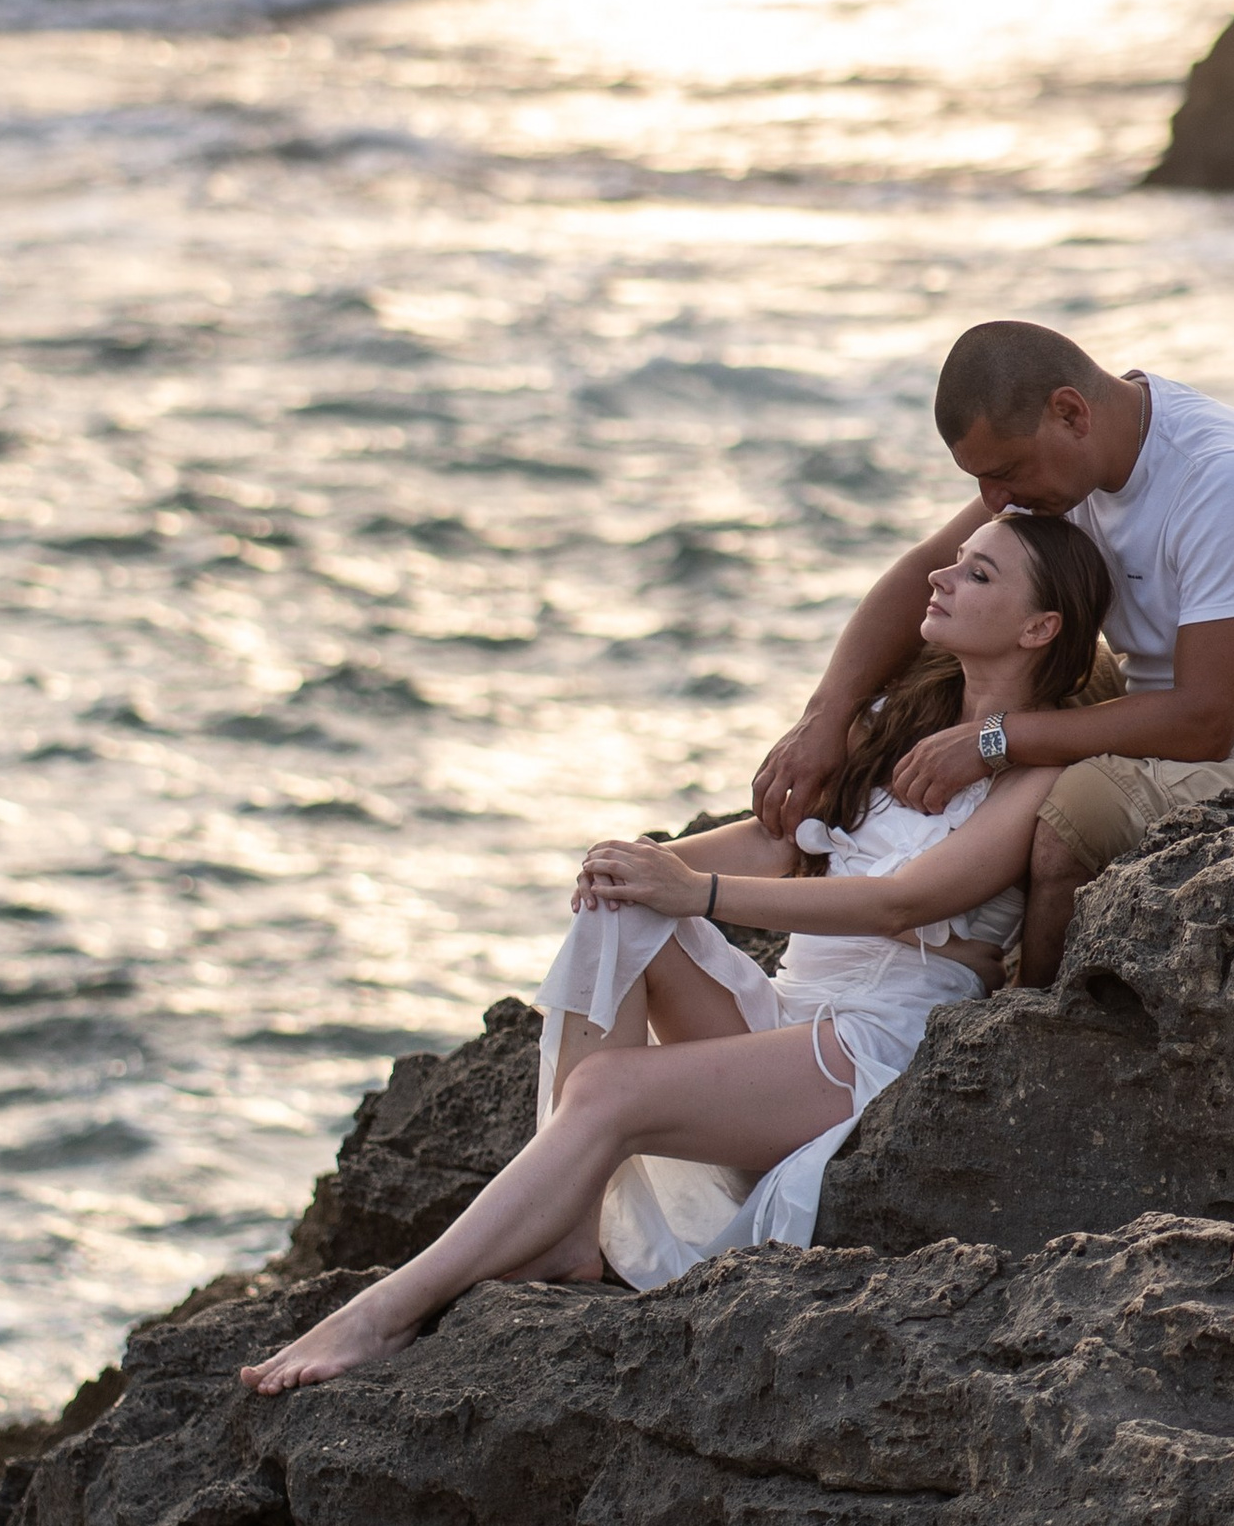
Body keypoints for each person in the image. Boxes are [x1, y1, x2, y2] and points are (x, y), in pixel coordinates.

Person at [241, 508, 1112, 1391]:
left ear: (1042, 628)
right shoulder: (901, 717)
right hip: (786, 1023)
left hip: (876, 1049)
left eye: (978, 575)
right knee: (616, 912)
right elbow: (783, 845)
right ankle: (573, 1228)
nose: (942, 579)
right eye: (955, 564)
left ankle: (386, 1313)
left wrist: (693, 893)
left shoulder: (1037, 772)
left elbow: (905, 899)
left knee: (611, 1086)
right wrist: (644, 870)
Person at [753, 319, 1234, 986]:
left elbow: (1205, 720)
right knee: (938, 669)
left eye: (1006, 473)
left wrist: (994, 740)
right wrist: (825, 718)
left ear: (1069, 414)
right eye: (982, 481)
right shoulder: (1070, 472)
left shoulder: (1229, 479)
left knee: (1078, 809)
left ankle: (1026, 1016)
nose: (995, 501)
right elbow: (923, 571)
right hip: (1177, 719)